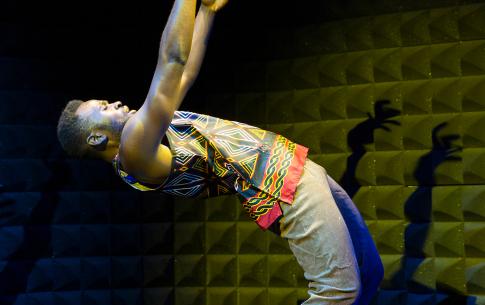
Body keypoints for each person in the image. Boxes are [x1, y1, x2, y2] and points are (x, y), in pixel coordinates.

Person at [56, 0, 383, 304]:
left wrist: (208, 12)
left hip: (295, 169)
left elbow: (184, 74)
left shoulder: (146, 135)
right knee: (339, 293)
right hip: (281, 185)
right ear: (97, 140)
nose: (112, 103)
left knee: (369, 274)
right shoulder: (133, 151)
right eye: (103, 107)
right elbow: (172, 62)